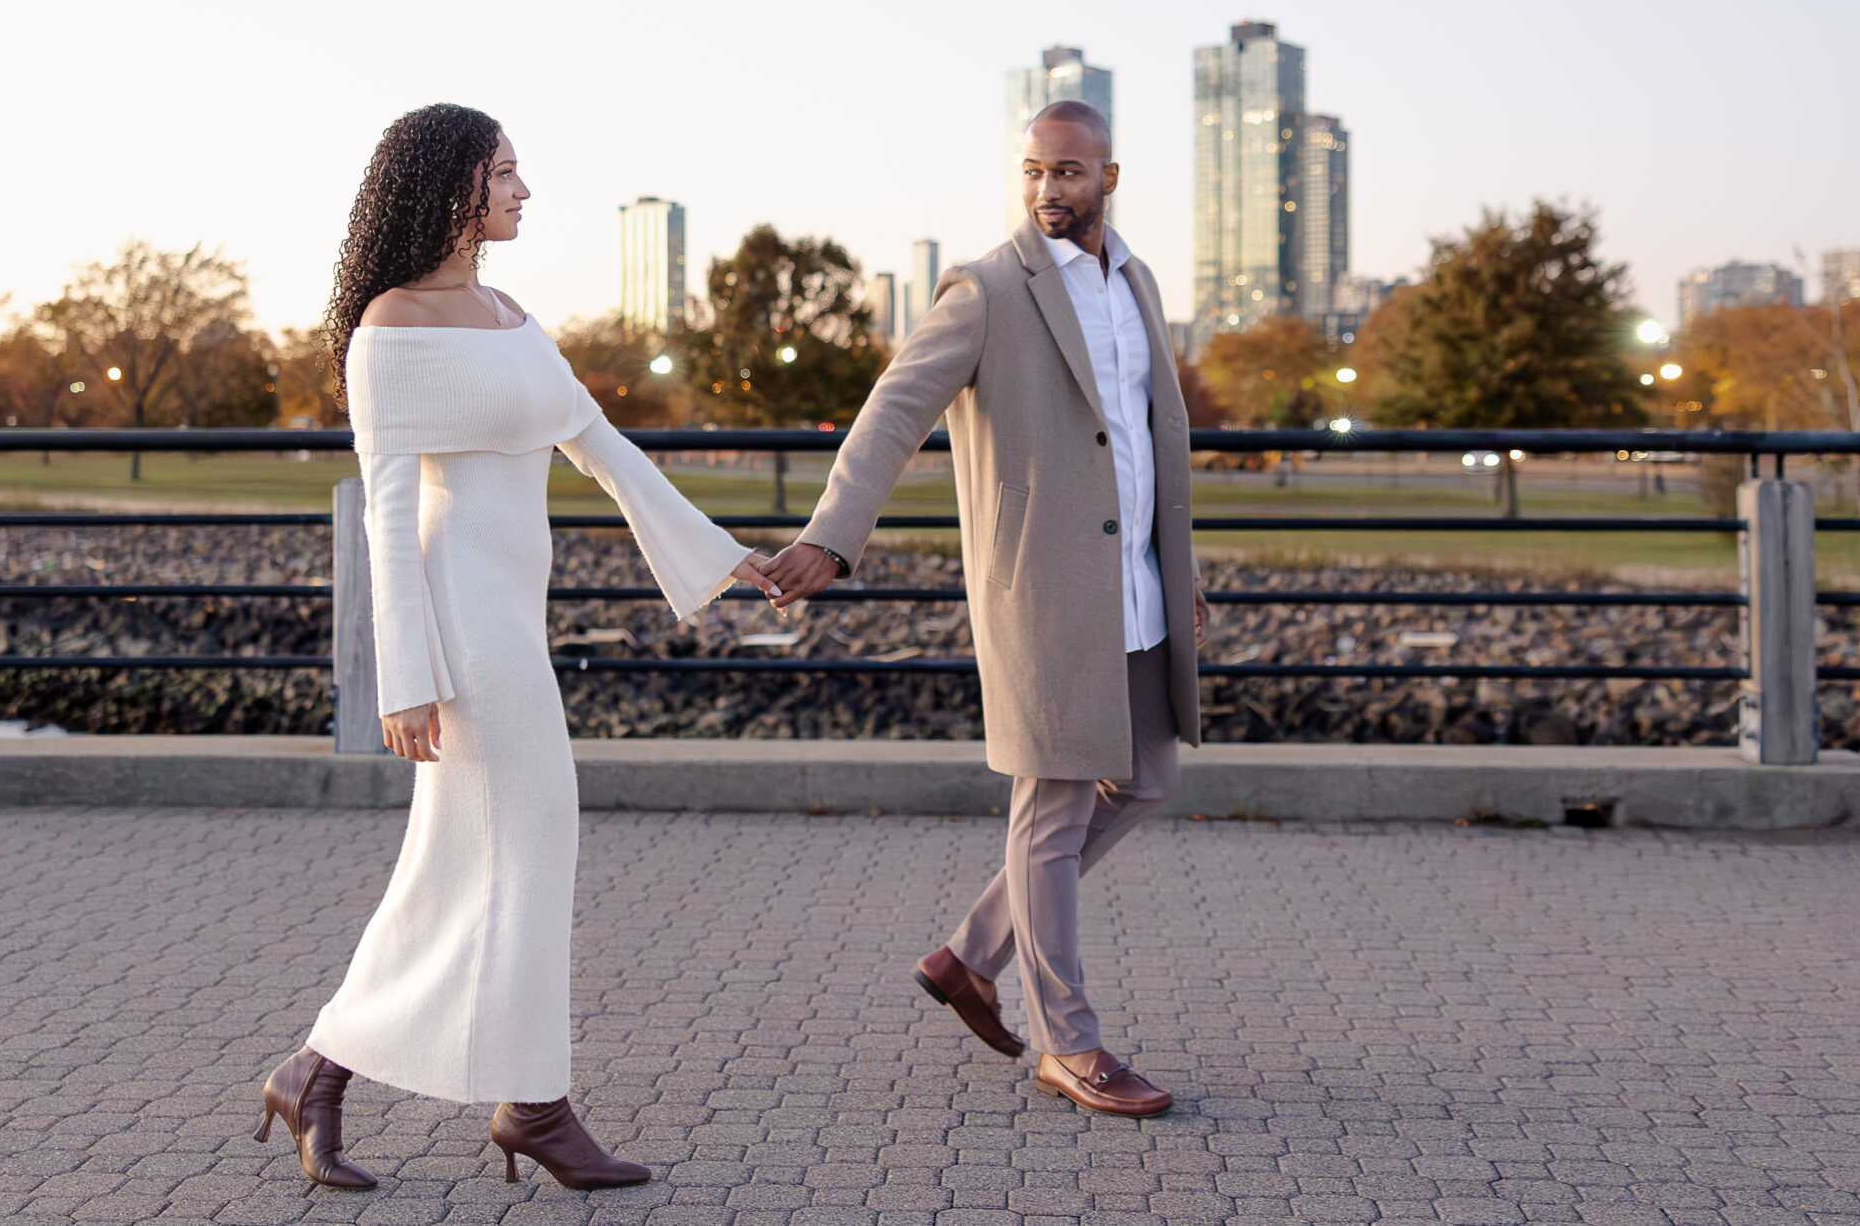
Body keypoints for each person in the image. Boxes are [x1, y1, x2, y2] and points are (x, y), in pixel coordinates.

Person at [253, 103, 785, 1189]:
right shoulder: (389, 328)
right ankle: (530, 1107)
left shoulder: (507, 311)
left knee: (479, 861)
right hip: (461, 621)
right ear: (450, 188)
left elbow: (602, 447)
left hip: (513, 616)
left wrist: (728, 557)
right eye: (503, 174)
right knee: (523, 842)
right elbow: (388, 517)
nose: (523, 191)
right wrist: (407, 679)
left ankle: (326, 1070)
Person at [762, 99, 1208, 1118]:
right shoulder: (987, 290)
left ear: (1109, 177)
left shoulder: (1134, 280)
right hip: (1043, 593)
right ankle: (1069, 1045)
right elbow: (890, 413)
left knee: (1143, 780)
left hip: (1134, 584)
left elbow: (1142, 441)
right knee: (1049, 814)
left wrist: (1176, 565)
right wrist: (831, 536)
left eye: (1067, 172)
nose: (1048, 188)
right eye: (1033, 171)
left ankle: (969, 955)